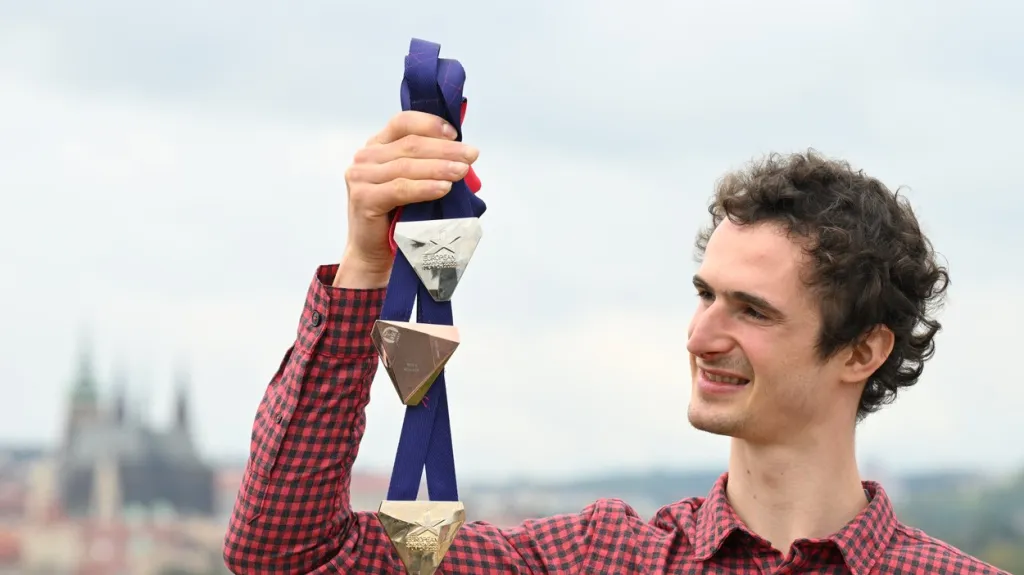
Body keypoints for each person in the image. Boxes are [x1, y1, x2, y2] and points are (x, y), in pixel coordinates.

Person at [222, 111, 1007, 575]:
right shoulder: (599, 556)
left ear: (862, 351)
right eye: (704, 295)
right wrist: (366, 263)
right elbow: (284, 553)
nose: (702, 335)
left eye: (752, 311)